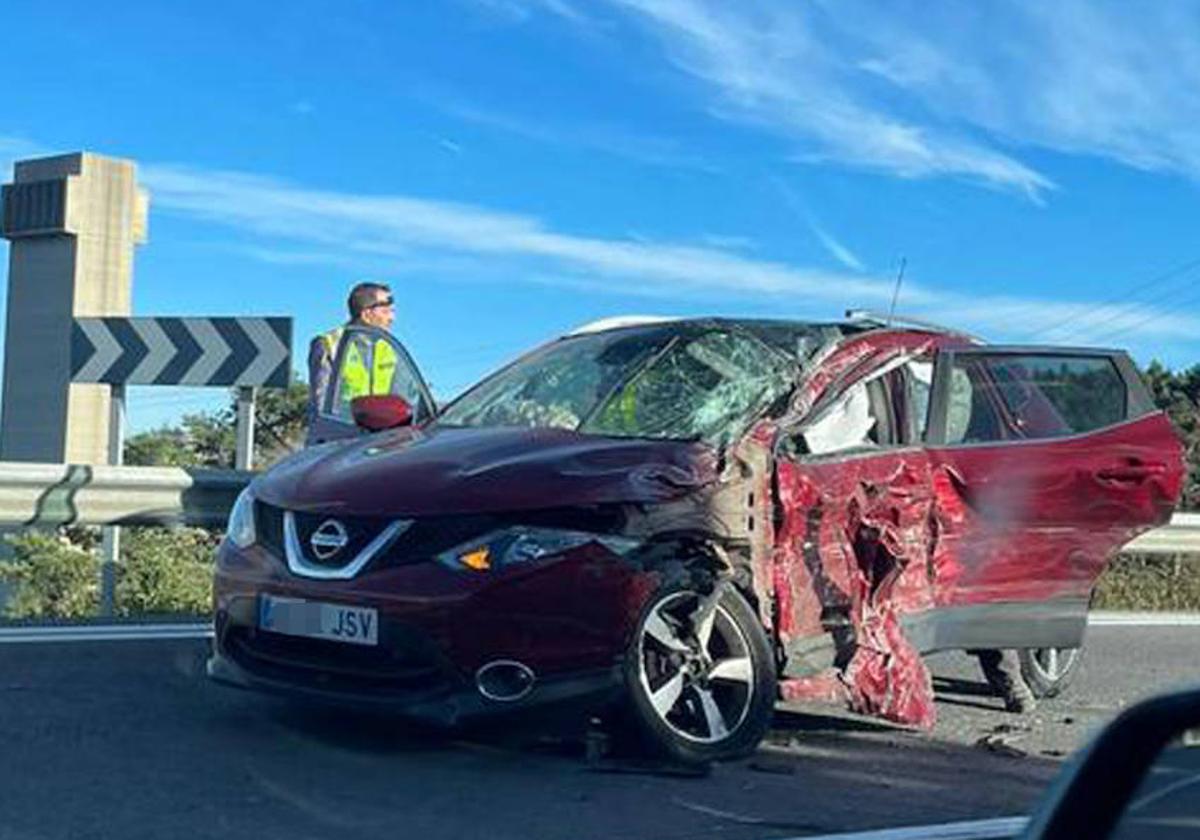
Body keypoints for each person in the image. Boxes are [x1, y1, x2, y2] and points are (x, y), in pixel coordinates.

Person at [306, 282, 400, 440]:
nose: (392, 318)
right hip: (340, 440)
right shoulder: (329, 344)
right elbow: (320, 404)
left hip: (380, 440)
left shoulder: (390, 349)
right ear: (366, 314)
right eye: (386, 311)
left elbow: (401, 398)